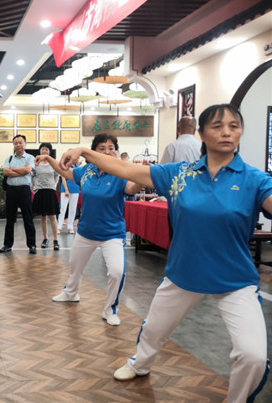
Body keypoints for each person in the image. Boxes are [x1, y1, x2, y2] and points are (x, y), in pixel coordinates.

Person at [60, 104, 270, 401]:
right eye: (217, 126)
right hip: (183, 273)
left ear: (241, 132)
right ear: (201, 134)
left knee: (254, 357)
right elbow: (123, 169)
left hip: (236, 279)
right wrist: (84, 150)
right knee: (153, 330)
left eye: (234, 126)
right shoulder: (178, 174)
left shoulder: (255, 180)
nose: (226, 132)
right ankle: (140, 363)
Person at [37, 133, 142, 326]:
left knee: (117, 272)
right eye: (102, 149)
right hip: (86, 232)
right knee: (75, 267)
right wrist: (48, 157)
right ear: (93, 153)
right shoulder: (86, 171)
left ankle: (110, 309)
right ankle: (71, 293)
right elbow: (65, 172)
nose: (107, 152)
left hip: (112, 234)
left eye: (111, 148)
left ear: (116, 152)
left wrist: (142, 177)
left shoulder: (120, 173)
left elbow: (132, 188)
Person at [0, 134, 36, 254]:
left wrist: (13, 170)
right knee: (10, 219)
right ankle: (7, 245)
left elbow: (28, 170)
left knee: (28, 218)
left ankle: (32, 245)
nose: (18, 145)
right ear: (13, 145)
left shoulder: (30, 158)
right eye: (16, 143)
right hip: (11, 190)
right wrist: (21, 171)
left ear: (25, 144)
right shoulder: (9, 158)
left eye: (20, 142)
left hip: (25, 190)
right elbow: (5, 171)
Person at [32, 142, 60, 250]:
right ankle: (45, 238)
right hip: (39, 191)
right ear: (40, 151)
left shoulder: (53, 163)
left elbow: (57, 175)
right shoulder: (36, 163)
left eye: (47, 149)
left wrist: (53, 186)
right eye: (43, 149)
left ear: (49, 152)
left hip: (50, 191)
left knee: (53, 216)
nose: (44, 151)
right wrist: (34, 188)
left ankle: (56, 240)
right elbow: (32, 176)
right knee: (42, 217)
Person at [57, 152, 80, 235]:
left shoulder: (78, 168)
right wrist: (66, 189)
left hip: (75, 190)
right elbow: (63, 178)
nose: (77, 159)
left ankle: (70, 227)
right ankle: (58, 227)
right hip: (66, 190)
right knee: (62, 208)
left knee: (73, 209)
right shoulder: (66, 166)